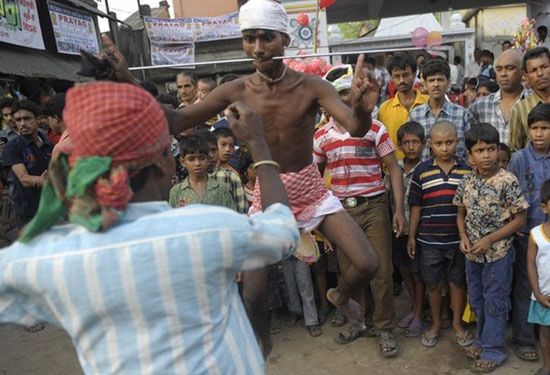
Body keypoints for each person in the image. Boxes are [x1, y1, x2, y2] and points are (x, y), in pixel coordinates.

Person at [101, 0, 382, 358]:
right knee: (252, 293)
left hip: (309, 188)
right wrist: (128, 81)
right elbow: (173, 121)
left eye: (267, 38)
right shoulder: (236, 89)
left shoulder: (311, 86)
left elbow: (356, 126)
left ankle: (339, 295)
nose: (259, 48)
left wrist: (363, 106)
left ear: (284, 39)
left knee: (368, 263)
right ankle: (262, 345)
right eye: (250, 39)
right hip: (268, 194)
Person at [0, 81, 300, 375]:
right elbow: (283, 229)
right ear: (163, 164)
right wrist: (259, 144)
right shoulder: (207, 228)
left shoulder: (52, 257)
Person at [313, 65, 405, 356]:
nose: (341, 102)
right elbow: (314, 178)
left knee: (382, 271)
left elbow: (394, 169)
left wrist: (398, 209)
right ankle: (360, 322)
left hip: (374, 205)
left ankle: (385, 328)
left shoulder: (375, 129)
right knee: (351, 272)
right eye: (336, 97)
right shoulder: (320, 137)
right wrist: (320, 221)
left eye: (346, 96)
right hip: (341, 211)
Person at [454, 123, 528, 373]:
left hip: (499, 255)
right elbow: (460, 214)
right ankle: (483, 339)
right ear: (469, 155)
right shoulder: (466, 181)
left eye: (491, 149)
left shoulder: (507, 180)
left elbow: (520, 219)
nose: (487, 155)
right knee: (477, 299)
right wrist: (463, 236)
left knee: (495, 301)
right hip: (473, 255)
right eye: (480, 150)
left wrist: (490, 239)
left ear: (498, 150)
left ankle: (494, 350)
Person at [407, 121, 472, 349]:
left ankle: (456, 323)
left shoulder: (466, 170)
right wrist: (412, 236)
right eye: (439, 144)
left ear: (457, 142)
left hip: (458, 241)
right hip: (428, 240)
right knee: (433, 285)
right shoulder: (422, 171)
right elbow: (416, 206)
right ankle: (434, 324)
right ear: (431, 145)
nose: (444, 148)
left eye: (449, 143)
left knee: (457, 283)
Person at [508, 103, 550, 363]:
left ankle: (545, 334)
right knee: (526, 285)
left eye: (545, 128)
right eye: (534, 128)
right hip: (528, 235)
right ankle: (524, 339)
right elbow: (510, 195)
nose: (539, 133)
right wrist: (516, 225)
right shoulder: (519, 159)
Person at [389, 121, 426, 338]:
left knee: (417, 272)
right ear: (399, 145)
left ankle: (420, 312)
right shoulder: (395, 169)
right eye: (406, 143)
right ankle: (415, 307)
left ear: (423, 144)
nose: (411, 146)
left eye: (415, 142)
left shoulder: (427, 168)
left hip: (420, 231)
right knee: (403, 270)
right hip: (398, 230)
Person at [2, 100, 51, 230]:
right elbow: (24, 179)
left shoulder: (49, 145)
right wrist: (44, 181)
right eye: (18, 120)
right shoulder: (12, 147)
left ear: (38, 119)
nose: (22, 123)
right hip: (27, 211)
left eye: (27, 118)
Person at [467, 49, 530, 146]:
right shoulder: (480, 106)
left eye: (510, 68)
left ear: (522, 72)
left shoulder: (534, 102)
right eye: (499, 69)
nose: (503, 74)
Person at [408, 59, 469, 160]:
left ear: (448, 83)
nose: (436, 84)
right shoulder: (415, 115)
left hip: (457, 174)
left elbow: (468, 151)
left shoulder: (461, 114)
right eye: (431, 80)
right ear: (425, 84)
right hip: (424, 174)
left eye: (440, 80)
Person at [378, 53, 428, 160]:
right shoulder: (384, 109)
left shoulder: (428, 102)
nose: (401, 80)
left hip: (427, 170)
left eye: (406, 75)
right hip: (395, 171)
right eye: (397, 76)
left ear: (414, 74)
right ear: (391, 77)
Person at [169, 135, 236, 210]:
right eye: (191, 159)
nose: (197, 163)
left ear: (208, 160)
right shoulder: (176, 192)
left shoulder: (220, 189)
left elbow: (230, 216)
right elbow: (172, 219)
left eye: (202, 158)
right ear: (182, 162)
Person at [527, 180, 550, 375]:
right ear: (544, 207)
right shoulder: (536, 234)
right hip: (544, 297)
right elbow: (531, 266)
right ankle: (547, 366)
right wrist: (537, 293)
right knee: (545, 332)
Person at [509, 47, 550, 152]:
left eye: (544, 67)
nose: (540, 73)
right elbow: (514, 150)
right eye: (533, 70)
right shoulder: (519, 110)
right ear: (526, 75)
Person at [198, 129, 249, 214]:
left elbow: (242, 209)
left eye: (232, 146)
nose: (228, 149)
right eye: (223, 145)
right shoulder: (195, 174)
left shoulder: (231, 175)